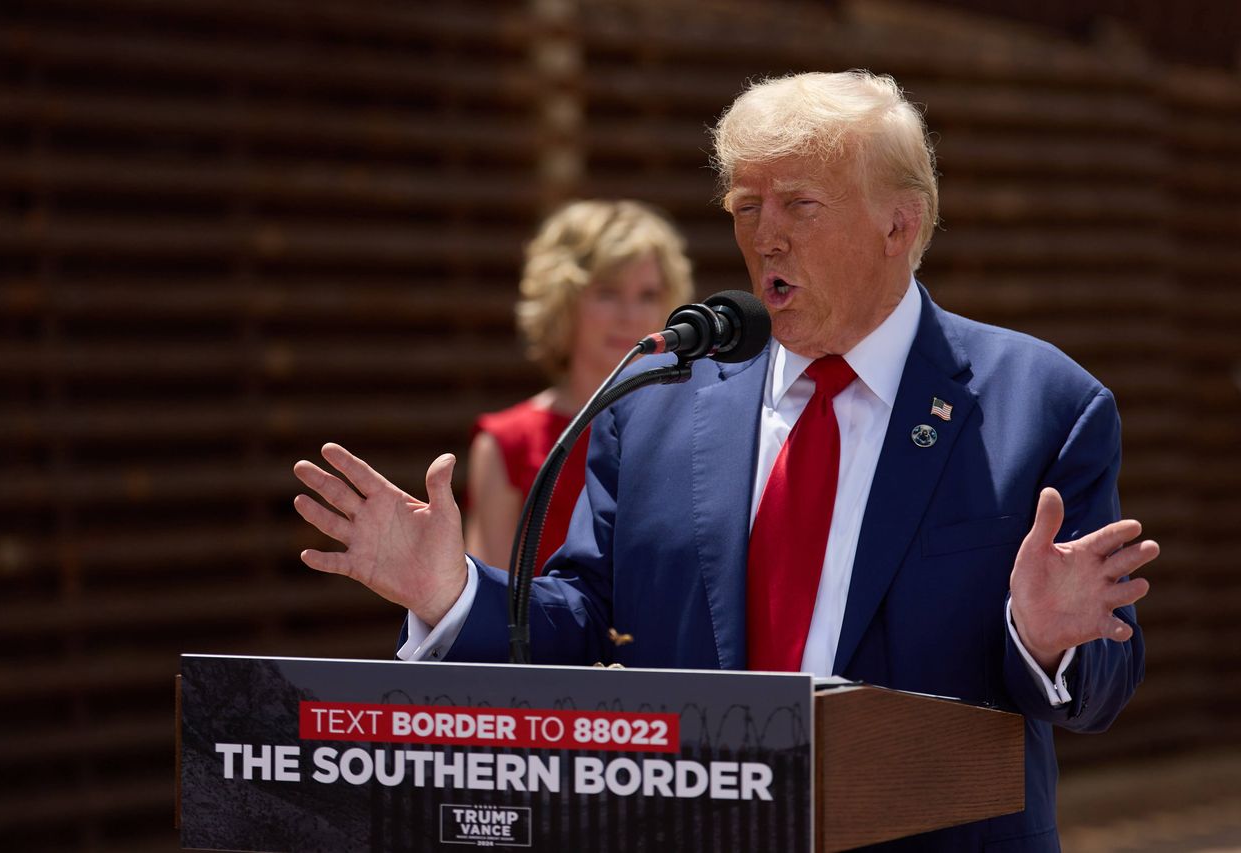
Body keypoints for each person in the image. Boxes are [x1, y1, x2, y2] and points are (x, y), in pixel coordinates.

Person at [293, 70, 1159, 852]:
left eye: (799, 206)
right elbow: (583, 618)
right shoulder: (659, 401)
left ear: (902, 222)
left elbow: (1100, 684)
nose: (764, 238)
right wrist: (450, 594)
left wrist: (1047, 641)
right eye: (746, 207)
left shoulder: (1040, 403)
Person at [465, 200, 693, 572]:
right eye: (607, 293)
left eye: (647, 295)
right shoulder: (506, 442)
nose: (629, 315)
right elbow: (489, 603)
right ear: (562, 301)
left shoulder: (689, 427)